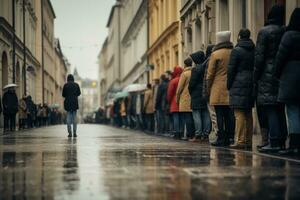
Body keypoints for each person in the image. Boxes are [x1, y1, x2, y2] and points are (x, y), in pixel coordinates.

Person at [254, 5, 288, 152]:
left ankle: (273, 141)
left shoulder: (264, 32)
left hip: (267, 74)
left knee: (270, 108)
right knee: (280, 107)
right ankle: (281, 140)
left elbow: (259, 57)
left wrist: (255, 76)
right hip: (282, 73)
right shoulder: (285, 31)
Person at [275, 8, 300, 154]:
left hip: (290, 76)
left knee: (293, 110)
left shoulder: (288, 36)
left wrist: (277, 75)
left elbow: (280, 57)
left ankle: (295, 144)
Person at [227, 29, 255, 149]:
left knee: (239, 113)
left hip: (238, 82)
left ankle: (239, 140)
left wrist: (229, 84)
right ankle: (248, 140)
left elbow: (231, 69)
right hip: (251, 81)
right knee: (248, 112)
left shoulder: (236, 50)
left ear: (239, 36)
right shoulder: (254, 49)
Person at [207, 31, 235, 146]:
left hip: (217, 88)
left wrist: (208, 89)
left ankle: (221, 138)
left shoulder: (215, 54)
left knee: (219, 114)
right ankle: (230, 137)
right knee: (229, 114)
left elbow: (210, 74)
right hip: (231, 87)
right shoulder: (233, 51)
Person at [189, 50, 211, 141]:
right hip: (205, 92)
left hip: (196, 94)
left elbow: (191, 83)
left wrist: (190, 91)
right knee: (206, 114)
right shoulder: (207, 67)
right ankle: (206, 134)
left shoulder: (195, 69)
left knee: (196, 114)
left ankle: (198, 134)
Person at [176, 58, 195, 140]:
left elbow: (179, 88)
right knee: (192, 117)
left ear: (185, 65)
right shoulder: (194, 72)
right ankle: (193, 134)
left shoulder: (184, 74)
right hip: (193, 97)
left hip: (185, 98)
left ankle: (189, 134)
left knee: (187, 117)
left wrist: (177, 99)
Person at [202, 45, 217, 138]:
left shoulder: (208, 62)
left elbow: (208, 77)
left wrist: (206, 92)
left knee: (213, 114)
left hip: (212, 91)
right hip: (223, 91)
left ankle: (218, 133)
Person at [167, 66, 183, 139]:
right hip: (182, 101)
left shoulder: (173, 81)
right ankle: (182, 132)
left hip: (174, 101)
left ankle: (177, 132)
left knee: (176, 118)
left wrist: (169, 101)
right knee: (182, 118)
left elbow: (170, 93)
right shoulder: (183, 79)